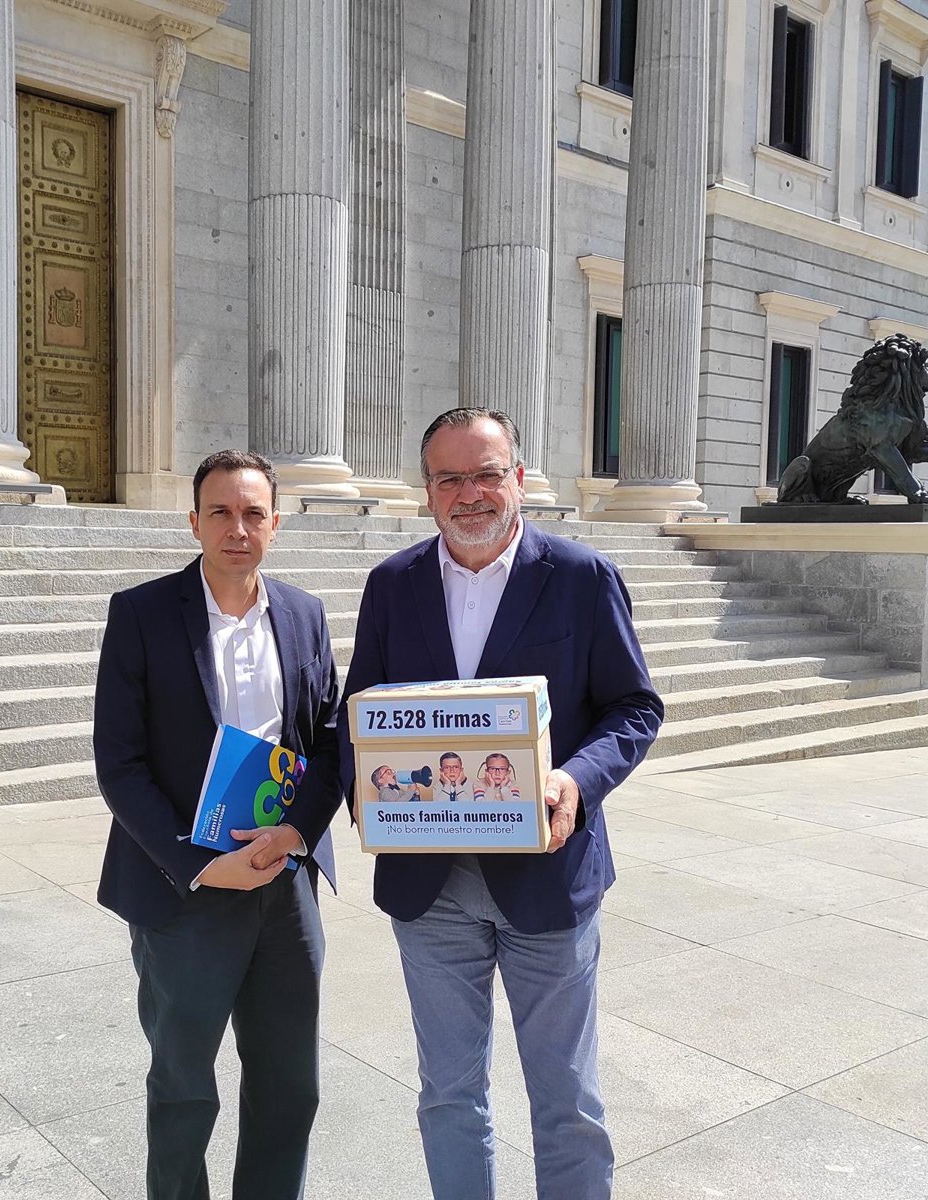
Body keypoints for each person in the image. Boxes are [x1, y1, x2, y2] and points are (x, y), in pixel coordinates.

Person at [337, 408, 663, 1200]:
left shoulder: (581, 577)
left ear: (518, 478)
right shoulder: (393, 585)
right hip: (431, 886)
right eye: (450, 478)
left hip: (547, 878)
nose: (470, 493)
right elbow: (357, 715)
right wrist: (367, 792)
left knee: (567, 1101)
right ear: (427, 491)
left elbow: (633, 708)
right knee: (448, 1094)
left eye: (486, 474)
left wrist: (574, 780)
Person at [93, 450, 342, 1200]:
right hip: (184, 889)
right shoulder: (141, 615)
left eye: (253, 513)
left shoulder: (303, 614)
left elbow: (329, 741)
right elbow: (119, 763)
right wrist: (198, 864)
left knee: (290, 1085)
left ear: (276, 523)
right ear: (194, 522)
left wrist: (296, 833)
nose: (239, 528)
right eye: (222, 513)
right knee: (183, 1088)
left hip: (283, 882)